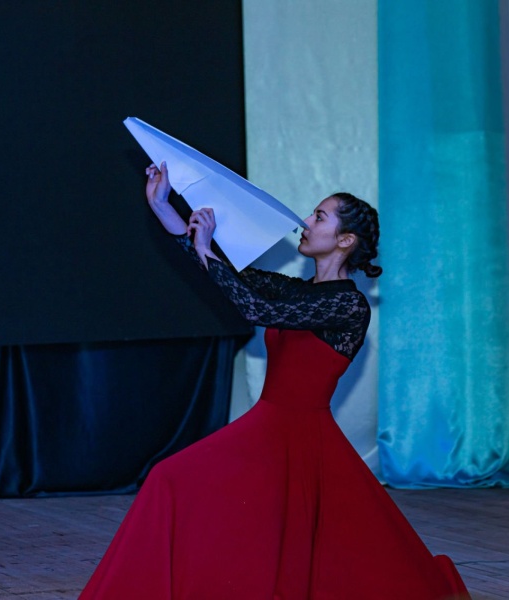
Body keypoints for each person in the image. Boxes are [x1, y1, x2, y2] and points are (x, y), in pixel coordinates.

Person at [79, 162, 471, 599]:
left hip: (302, 440)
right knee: (179, 486)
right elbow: (223, 273)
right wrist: (162, 205)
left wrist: (208, 247)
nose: (306, 221)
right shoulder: (296, 290)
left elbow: (255, 309)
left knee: (339, 558)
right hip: (269, 431)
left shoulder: (349, 306)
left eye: (319, 217)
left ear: (345, 240)